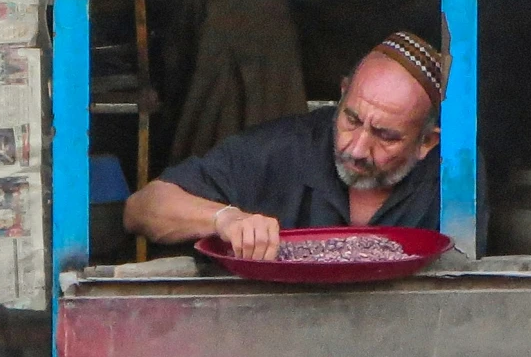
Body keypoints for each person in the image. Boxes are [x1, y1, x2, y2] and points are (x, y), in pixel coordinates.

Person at [123, 31, 445, 261]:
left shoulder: (456, 179)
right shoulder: (281, 148)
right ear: (343, 93)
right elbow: (141, 209)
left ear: (426, 142)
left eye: (385, 136)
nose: (358, 149)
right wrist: (225, 219)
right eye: (351, 119)